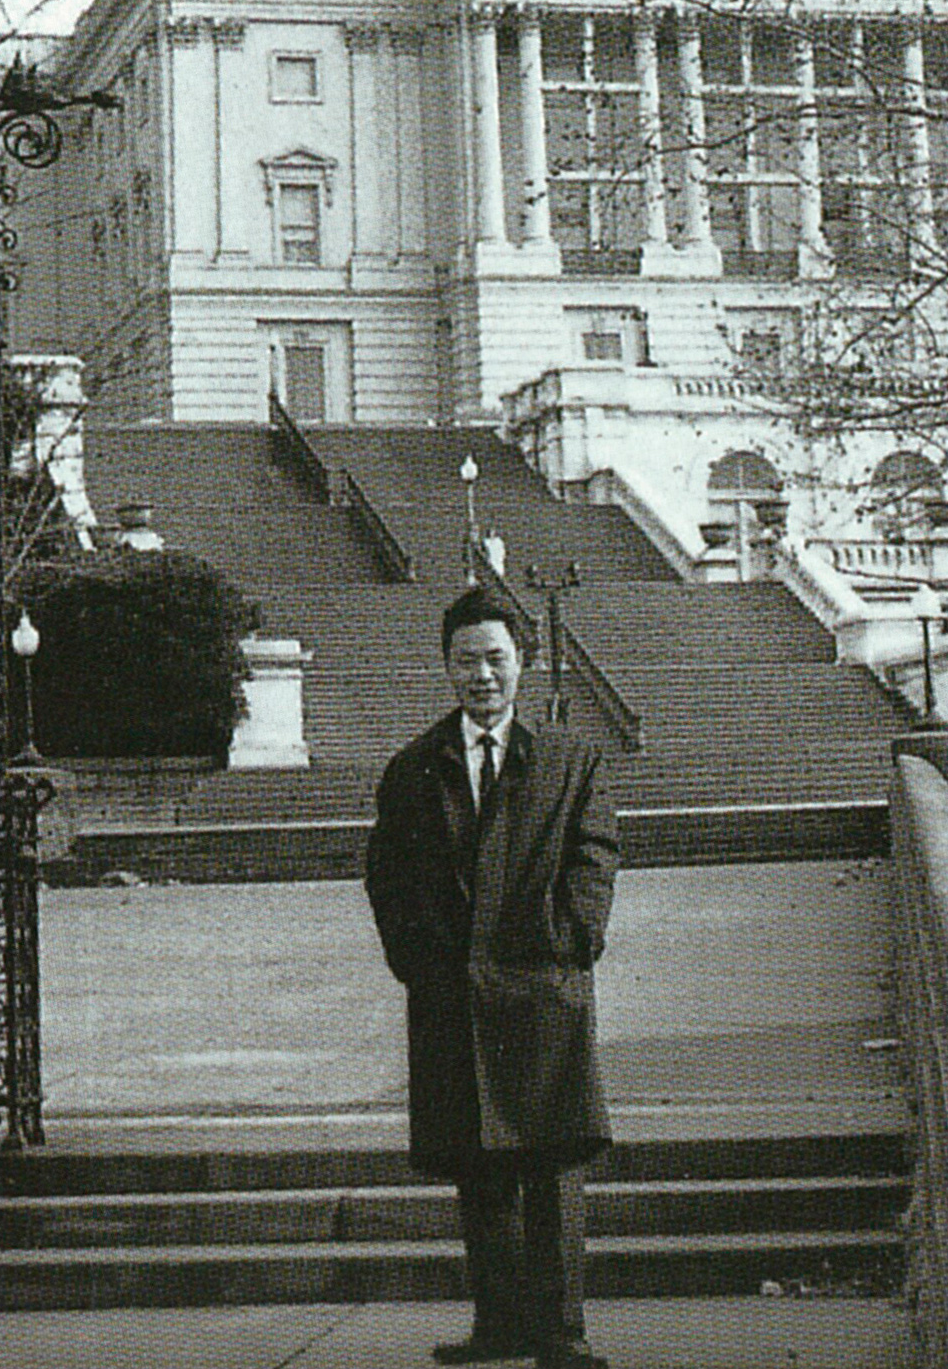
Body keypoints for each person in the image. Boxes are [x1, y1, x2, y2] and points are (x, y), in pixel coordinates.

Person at [365, 585, 618, 1369]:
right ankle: (499, 1325)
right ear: (446, 666)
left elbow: (594, 856)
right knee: (480, 1169)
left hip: (543, 990)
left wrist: (571, 939)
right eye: (466, 659)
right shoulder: (413, 768)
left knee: (552, 1167)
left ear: (523, 663)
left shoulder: (571, 760)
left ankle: (561, 1332)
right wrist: (419, 963)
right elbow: (388, 875)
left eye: (496, 658)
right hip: (453, 993)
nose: (482, 675)